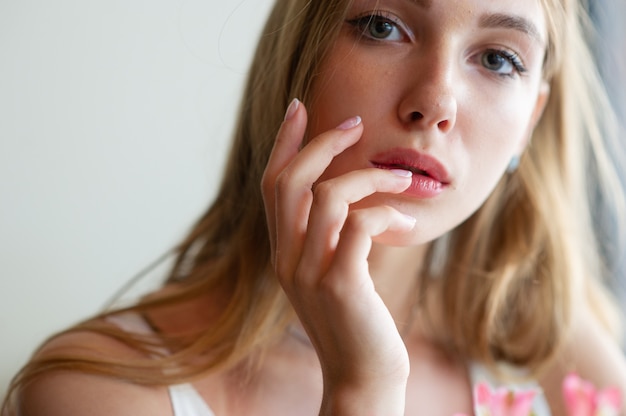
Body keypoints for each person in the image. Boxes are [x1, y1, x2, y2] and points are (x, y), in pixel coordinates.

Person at [3, 0, 626, 414]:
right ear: (300, 55)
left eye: (498, 59)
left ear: (529, 126)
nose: (436, 101)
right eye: (383, 25)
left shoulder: (556, 365)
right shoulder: (96, 393)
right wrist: (363, 392)